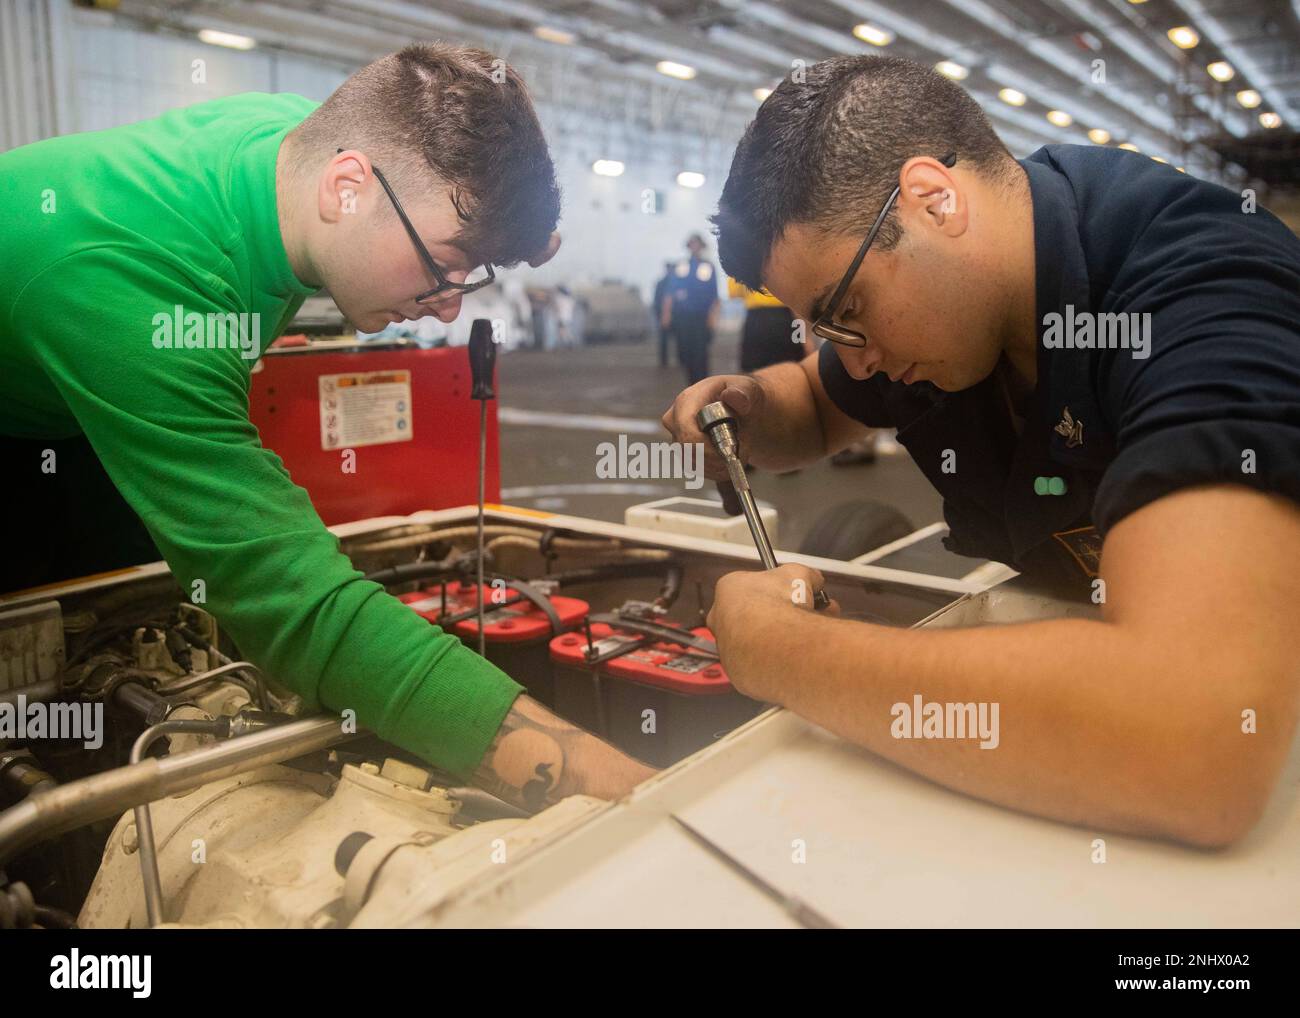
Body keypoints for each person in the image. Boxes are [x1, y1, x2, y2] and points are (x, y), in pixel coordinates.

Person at [662, 56, 1300, 847]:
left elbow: (1199, 741)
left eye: (847, 310)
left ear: (934, 198)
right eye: (827, 330)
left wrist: (790, 653)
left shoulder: (1198, 290)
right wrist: (749, 409)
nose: (854, 358)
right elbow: (820, 403)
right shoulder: (953, 305)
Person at [1, 43, 655, 812]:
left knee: (122, 631)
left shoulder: (305, 150)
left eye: (472, 276)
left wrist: (505, 236)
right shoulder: (137, 292)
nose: (451, 306)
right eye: (445, 264)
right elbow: (296, 605)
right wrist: (607, 784)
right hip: (52, 367)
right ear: (346, 188)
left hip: (57, 388)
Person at [661, 233, 721, 384]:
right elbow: (670, 292)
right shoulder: (680, 266)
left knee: (701, 352)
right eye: (692, 244)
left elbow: (714, 296)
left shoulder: (707, 266)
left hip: (701, 317)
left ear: (702, 246)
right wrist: (666, 314)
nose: (694, 247)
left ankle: (702, 383)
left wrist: (713, 318)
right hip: (683, 316)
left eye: (697, 244)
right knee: (685, 352)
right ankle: (691, 382)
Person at [653, 261, 676, 367]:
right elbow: (657, 301)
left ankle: (664, 361)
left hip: (669, 315)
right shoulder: (677, 282)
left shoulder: (661, 283)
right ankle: (666, 361)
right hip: (672, 316)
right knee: (668, 340)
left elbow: (656, 301)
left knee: (665, 340)